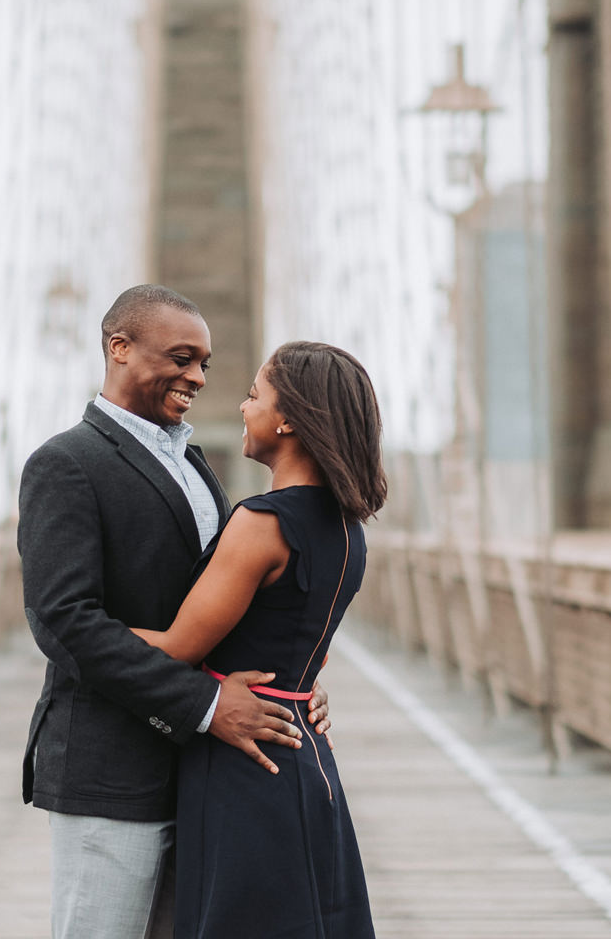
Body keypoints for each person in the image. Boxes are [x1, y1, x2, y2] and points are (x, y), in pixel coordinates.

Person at [18, 285, 334, 939]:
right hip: (110, 770)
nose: (196, 377)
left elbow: (223, 610)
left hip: (203, 778)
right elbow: (65, 624)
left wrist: (296, 680)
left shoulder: (194, 465)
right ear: (120, 348)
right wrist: (209, 705)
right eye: (182, 357)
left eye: (205, 364)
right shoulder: (64, 464)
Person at [131, 340, 387, 939]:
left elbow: (177, 649)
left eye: (252, 396)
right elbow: (301, 641)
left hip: (245, 765)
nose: (244, 409)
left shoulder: (262, 521)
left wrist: (78, 624)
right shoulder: (347, 527)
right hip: (306, 757)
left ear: (289, 417)